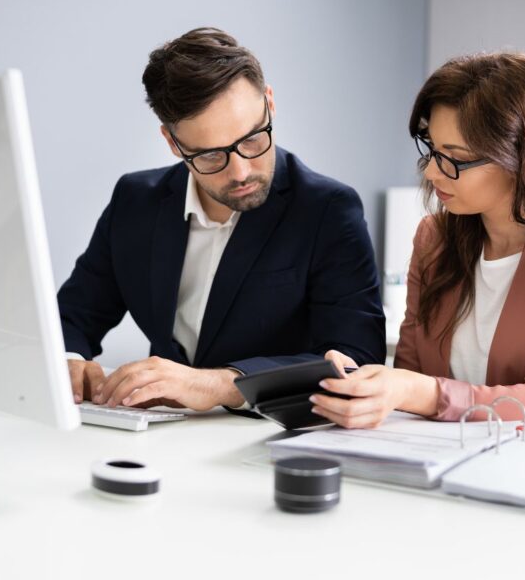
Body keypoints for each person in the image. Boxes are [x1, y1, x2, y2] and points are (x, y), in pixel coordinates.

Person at [58, 27, 385, 412]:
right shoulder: (135, 201)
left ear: (270, 103)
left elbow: (358, 359)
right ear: (172, 142)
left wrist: (217, 385)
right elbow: (71, 316)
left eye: (252, 139)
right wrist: (69, 360)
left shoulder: (328, 210)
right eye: (211, 155)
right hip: (155, 435)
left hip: (265, 440)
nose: (242, 170)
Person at [315, 52, 525, 444]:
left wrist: (416, 392)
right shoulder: (433, 240)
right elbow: (411, 377)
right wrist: (365, 385)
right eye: (432, 150)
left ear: (521, 157)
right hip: (464, 461)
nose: (433, 172)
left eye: (456, 159)